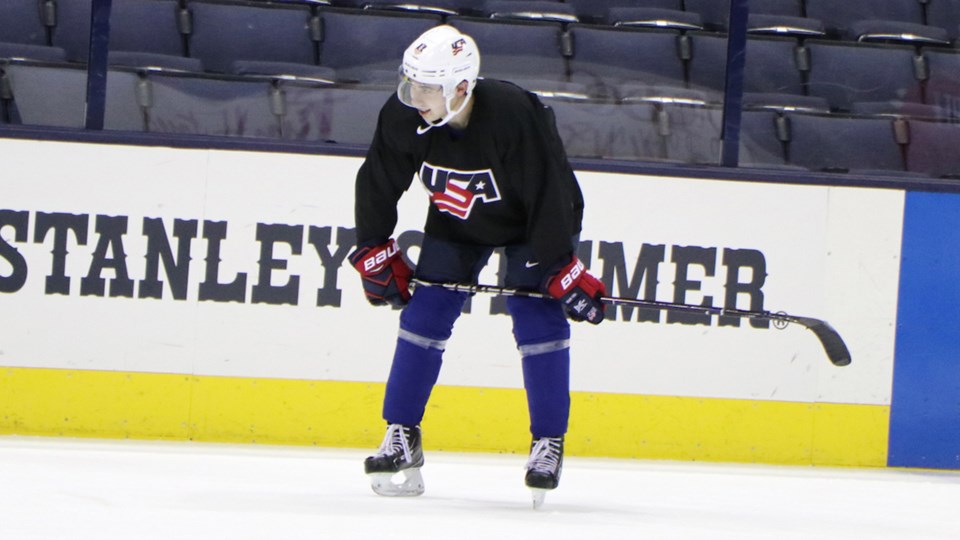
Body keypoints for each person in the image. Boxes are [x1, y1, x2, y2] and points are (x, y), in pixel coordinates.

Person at [347, 24, 605, 507]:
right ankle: (401, 434)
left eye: (428, 87)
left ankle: (548, 441)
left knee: (534, 316)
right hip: (458, 221)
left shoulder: (513, 114)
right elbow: (378, 180)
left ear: (462, 86)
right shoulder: (404, 116)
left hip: (534, 223)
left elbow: (551, 193)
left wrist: (557, 265)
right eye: (412, 83)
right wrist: (372, 247)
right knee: (424, 314)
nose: (415, 96)